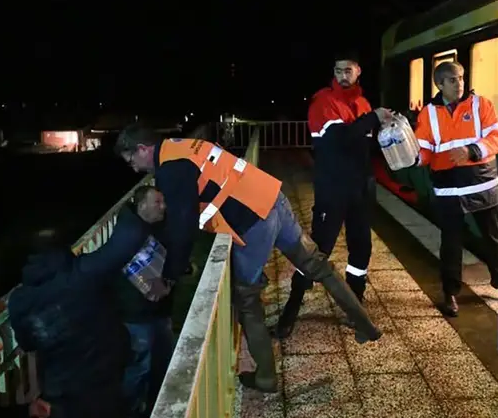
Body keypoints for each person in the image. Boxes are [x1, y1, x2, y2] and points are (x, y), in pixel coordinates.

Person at [114, 127, 382, 394]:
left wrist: (169, 275)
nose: (136, 169)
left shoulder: (170, 169)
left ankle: (265, 376)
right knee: (318, 266)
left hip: (253, 222)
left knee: (246, 300)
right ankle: (365, 326)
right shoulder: (181, 145)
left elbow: (182, 226)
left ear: (142, 149)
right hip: (271, 198)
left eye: (132, 161)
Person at [277, 53, 392, 339]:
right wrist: (372, 119)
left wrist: (389, 130)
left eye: (348, 70)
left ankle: (356, 306)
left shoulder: (362, 103)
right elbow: (339, 140)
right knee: (317, 250)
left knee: (361, 248)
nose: (343, 75)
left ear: (358, 72)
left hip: (361, 188)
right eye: (339, 70)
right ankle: (291, 309)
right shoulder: (323, 102)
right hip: (333, 188)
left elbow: (364, 144)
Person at [7, 208, 153, 418]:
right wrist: (131, 208)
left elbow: (27, 343)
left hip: (59, 394)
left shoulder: (19, 300)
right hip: (103, 383)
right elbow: (129, 237)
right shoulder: (83, 273)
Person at [415, 61, 498, 317]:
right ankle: (451, 293)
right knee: (450, 244)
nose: (459, 83)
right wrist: (411, 157)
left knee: (494, 239)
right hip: (449, 189)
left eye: (461, 77)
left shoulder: (480, 105)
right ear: (439, 84)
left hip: (483, 184)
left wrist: (472, 151)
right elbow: (424, 150)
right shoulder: (427, 113)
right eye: (452, 80)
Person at [116, 186, 175, 418]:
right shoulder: (129, 236)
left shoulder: (152, 228)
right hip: (137, 316)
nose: (164, 207)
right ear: (142, 206)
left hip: (158, 311)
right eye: (158, 202)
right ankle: (131, 412)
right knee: (140, 367)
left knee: (162, 362)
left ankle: (158, 408)